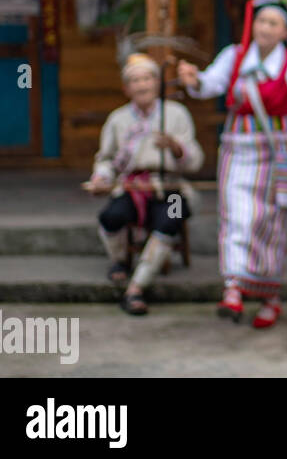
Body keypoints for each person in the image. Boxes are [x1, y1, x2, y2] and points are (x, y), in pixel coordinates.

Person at [177, 0, 287, 329]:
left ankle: (268, 296)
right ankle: (233, 287)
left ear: (286, 32)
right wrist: (193, 79)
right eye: (262, 21)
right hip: (238, 147)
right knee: (236, 215)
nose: (265, 28)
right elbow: (210, 85)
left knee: (269, 222)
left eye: (273, 23)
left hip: (275, 150)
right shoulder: (234, 56)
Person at [84, 53, 204, 315]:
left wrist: (175, 147)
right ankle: (119, 261)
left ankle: (137, 287)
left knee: (170, 219)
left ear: (158, 82)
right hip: (132, 187)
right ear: (126, 88)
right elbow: (107, 160)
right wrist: (101, 178)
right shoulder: (118, 119)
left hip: (169, 187)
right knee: (111, 216)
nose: (142, 85)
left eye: (147, 79)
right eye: (135, 81)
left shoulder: (176, 114)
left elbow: (194, 161)